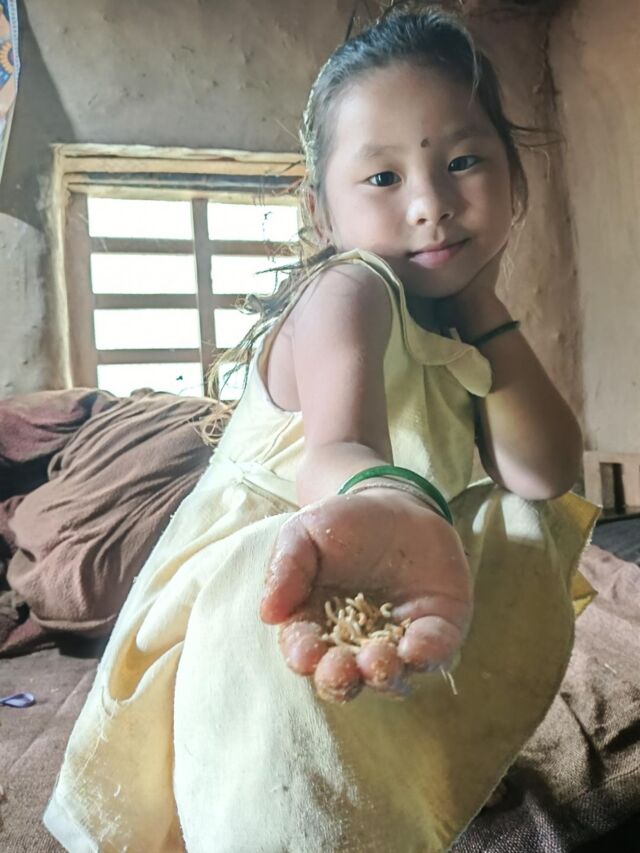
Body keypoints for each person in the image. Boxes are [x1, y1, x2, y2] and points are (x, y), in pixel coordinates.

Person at [44, 7, 600, 852]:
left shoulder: (456, 322)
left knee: (519, 520)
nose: (431, 204)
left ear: (513, 179)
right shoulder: (348, 291)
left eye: (463, 162)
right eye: (382, 177)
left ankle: (414, 754)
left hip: (386, 565)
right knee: (280, 629)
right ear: (320, 213)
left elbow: (545, 472)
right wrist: (385, 493)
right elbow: (340, 447)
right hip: (271, 591)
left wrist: (482, 303)